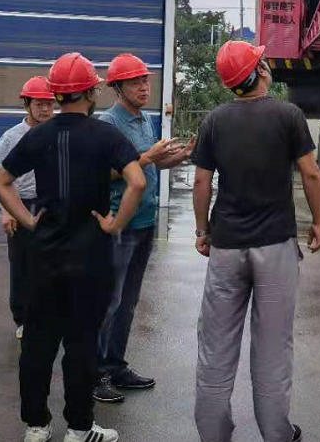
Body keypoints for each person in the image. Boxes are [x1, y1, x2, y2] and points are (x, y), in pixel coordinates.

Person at [0, 52, 147, 442]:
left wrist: (28, 220)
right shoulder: (106, 135)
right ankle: (79, 428)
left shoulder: (38, 135)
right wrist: (115, 223)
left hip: (43, 256)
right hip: (91, 257)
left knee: (38, 343)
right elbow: (138, 181)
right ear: (91, 92)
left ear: (56, 94)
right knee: (81, 345)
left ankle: (36, 426)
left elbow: (0, 181)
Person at [192, 40, 320, 442]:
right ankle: (277, 433)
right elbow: (311, 174)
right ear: (261, 71)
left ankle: (213, 433)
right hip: (274, 246)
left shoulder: (214, 121)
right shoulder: (288, 115)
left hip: (226, 247)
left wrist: (203, 231)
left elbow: (201, 181)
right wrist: (318, 222)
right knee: (272, 348)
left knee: (215, 347)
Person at [93, 53, 195, 404]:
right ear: (117, 87)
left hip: (145, 223)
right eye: (135, 82)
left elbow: (151, 165)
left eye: (145, 80)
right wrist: (149, 157)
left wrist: (179, 156)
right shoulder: (108, 123)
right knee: (109, 302)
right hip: (120, 225)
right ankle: (95, 373)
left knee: (128, 302)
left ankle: (116, 365)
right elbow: (104, 173)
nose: (144, 87)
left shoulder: (145, 120)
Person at [0, 76, 57, 340]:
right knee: (22, 265)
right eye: (39, 104)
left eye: (49, 104)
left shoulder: (58, 132)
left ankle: (50, 317)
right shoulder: (12, 137)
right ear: (27, 105)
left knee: (52, 264)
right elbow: (0, 179)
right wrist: (6, 211)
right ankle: (22, 319)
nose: (45, 109)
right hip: (20, 204)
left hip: (51, 204)